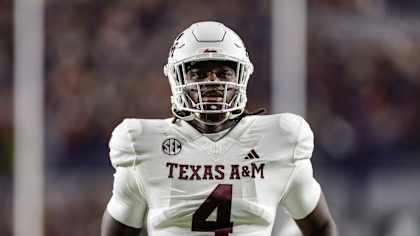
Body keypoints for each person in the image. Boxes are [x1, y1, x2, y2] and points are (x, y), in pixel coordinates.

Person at [101, 21, 337, 236]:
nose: (212, 81)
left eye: (223, 73)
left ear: (242, 76)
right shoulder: (142, 144)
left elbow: (321, 227)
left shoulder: (280, 140)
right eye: (199, 74)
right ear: (177, 78)